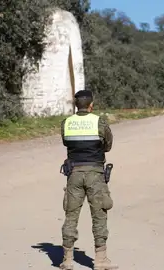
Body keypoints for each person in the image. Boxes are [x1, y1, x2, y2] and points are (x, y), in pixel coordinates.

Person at [59, 89, 118, 270]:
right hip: (95, 174)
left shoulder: (66, 123)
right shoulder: (99, 122)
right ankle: (100, 260)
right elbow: (108, 145)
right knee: (99, 214)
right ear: (91, 105)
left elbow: (66, 143)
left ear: (77, 105)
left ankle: (67, 260)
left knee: (71, 215)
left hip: (74, 173)